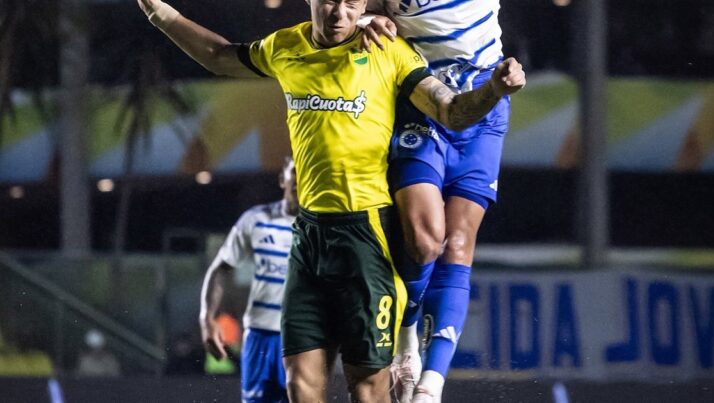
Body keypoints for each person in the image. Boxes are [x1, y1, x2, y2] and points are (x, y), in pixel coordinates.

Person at [138, 0, 524, 400]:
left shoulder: (388, 51)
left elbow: (449, 110)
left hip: (367, 239)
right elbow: (219, 56)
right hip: (309, 241)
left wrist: (494, 88)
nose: (339, 12)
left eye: (352, 3)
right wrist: (161, 15)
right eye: (330, 2)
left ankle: (420, 366)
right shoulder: (285, 47)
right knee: (301, 388)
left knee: (369, 390)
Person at [361, 1, 516, 402]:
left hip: (484, 102)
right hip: (424, 101)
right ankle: (407, 340)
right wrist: (365, 18)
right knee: (425, 239)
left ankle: (432, 386)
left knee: (459, 245)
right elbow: (343, 10)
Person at [200, 157, 298, 403]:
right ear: (282, 178)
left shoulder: (323, 226)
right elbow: (221, 267)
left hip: (303, 338)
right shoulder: (257, 220)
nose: (301, 178)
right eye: (295, 171)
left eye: (308, 171)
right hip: (260, 336)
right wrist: (207, 317)